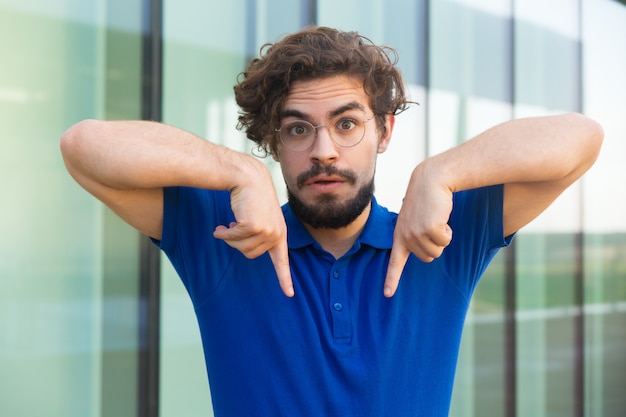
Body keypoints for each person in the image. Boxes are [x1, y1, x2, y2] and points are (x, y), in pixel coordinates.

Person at [60, 26, 603, 417]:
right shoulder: (228, 238)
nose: (324, 151)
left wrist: (440, 173)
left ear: (384, 132)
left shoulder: (437, 238)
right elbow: (84, 146)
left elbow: (581, 138)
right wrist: (240, 171)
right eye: (297, 130)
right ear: (274, 142)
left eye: (347, 124)